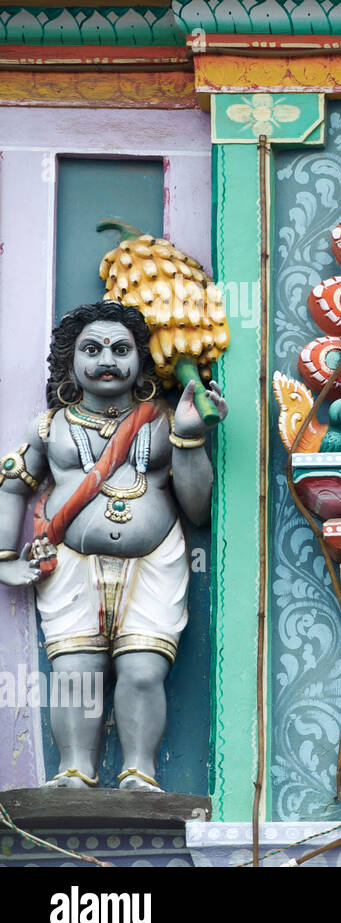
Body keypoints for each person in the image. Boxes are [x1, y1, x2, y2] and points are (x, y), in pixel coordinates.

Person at [0, 300, 227, 791]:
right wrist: (4, 560)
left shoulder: (165, 422)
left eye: (121, 349)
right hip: (71, 565)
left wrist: (188, 440)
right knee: (75, 672)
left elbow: (198, 509)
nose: (107, 360)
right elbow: (12, 486)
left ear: (140, 362)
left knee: (143, 670)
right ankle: (75, 770)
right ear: (69, 362)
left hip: (156, 561)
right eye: (92, 349)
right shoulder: (51, 427)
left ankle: (139, 771)